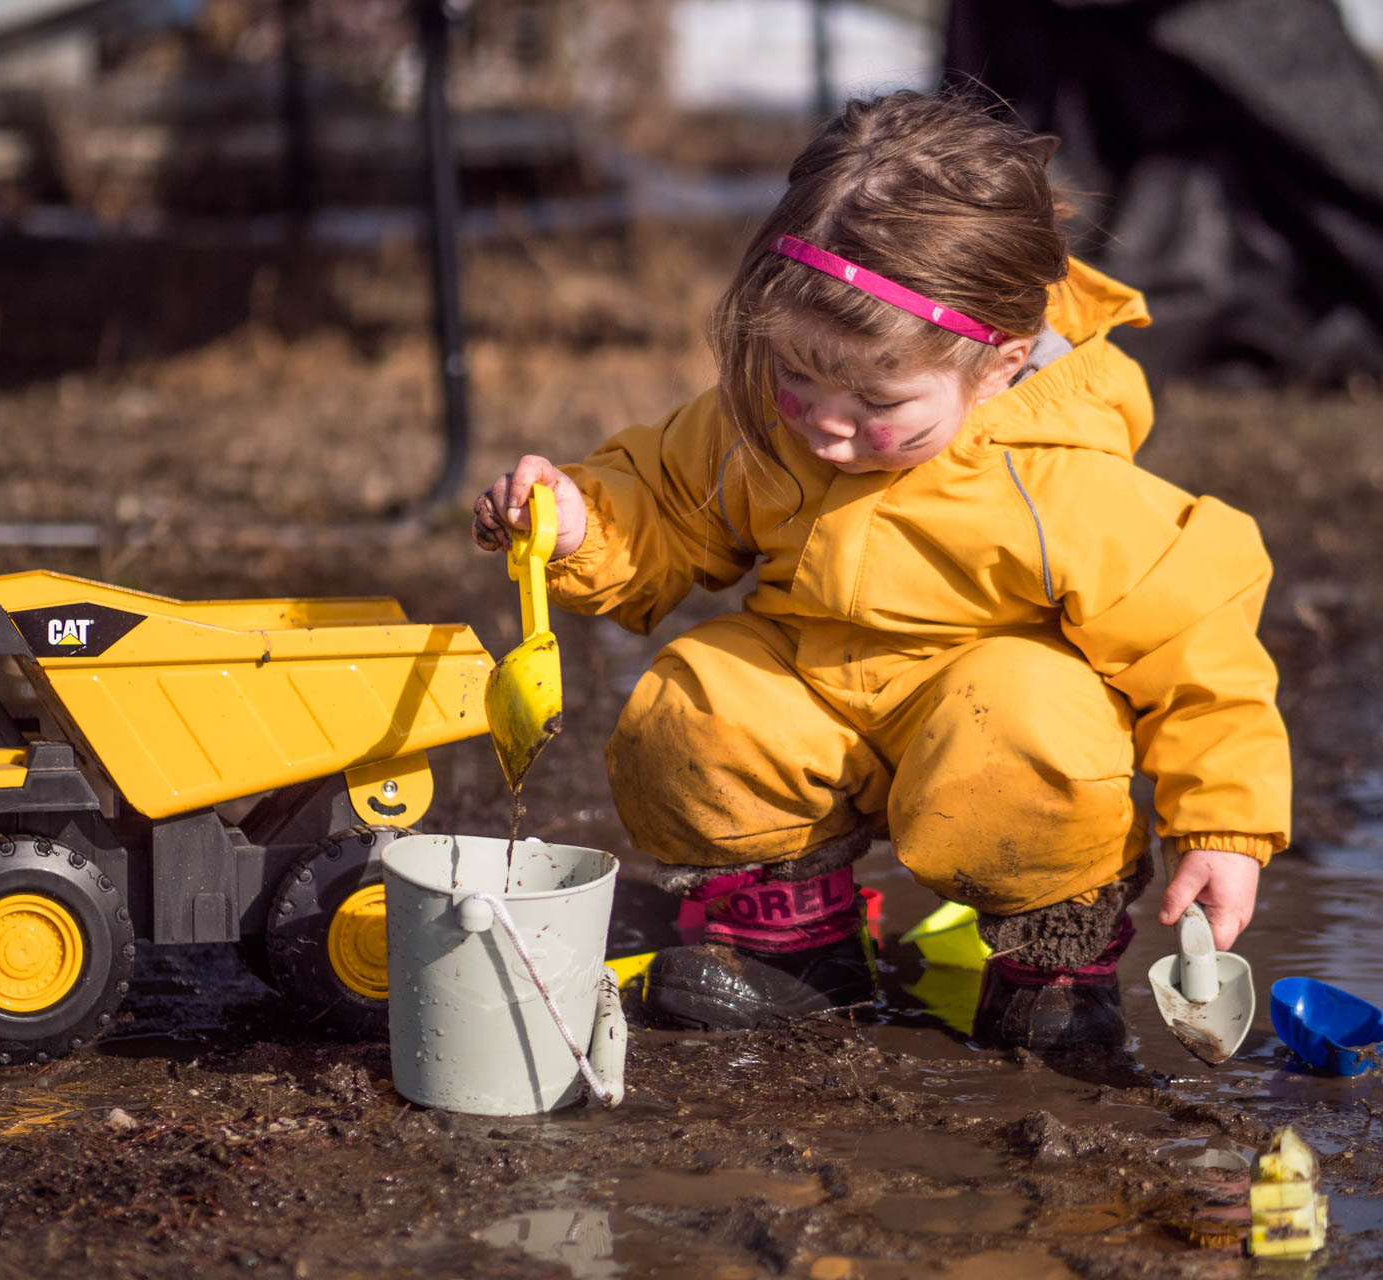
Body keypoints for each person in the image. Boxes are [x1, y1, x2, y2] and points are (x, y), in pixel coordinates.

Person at [470, 91, 1291, 1052]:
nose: (825, 424)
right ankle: (794, 944)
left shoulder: (1064, 478)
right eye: (797, 374)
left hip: (990, 731)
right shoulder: (761, 425)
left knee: (1033, 724)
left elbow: (1200, 650)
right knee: (699, 703)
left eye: (876, 401)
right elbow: (662, 498)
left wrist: (1223, 826)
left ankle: (1051, 962)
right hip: (814, 693)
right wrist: (581, 522)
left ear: (997, 366)